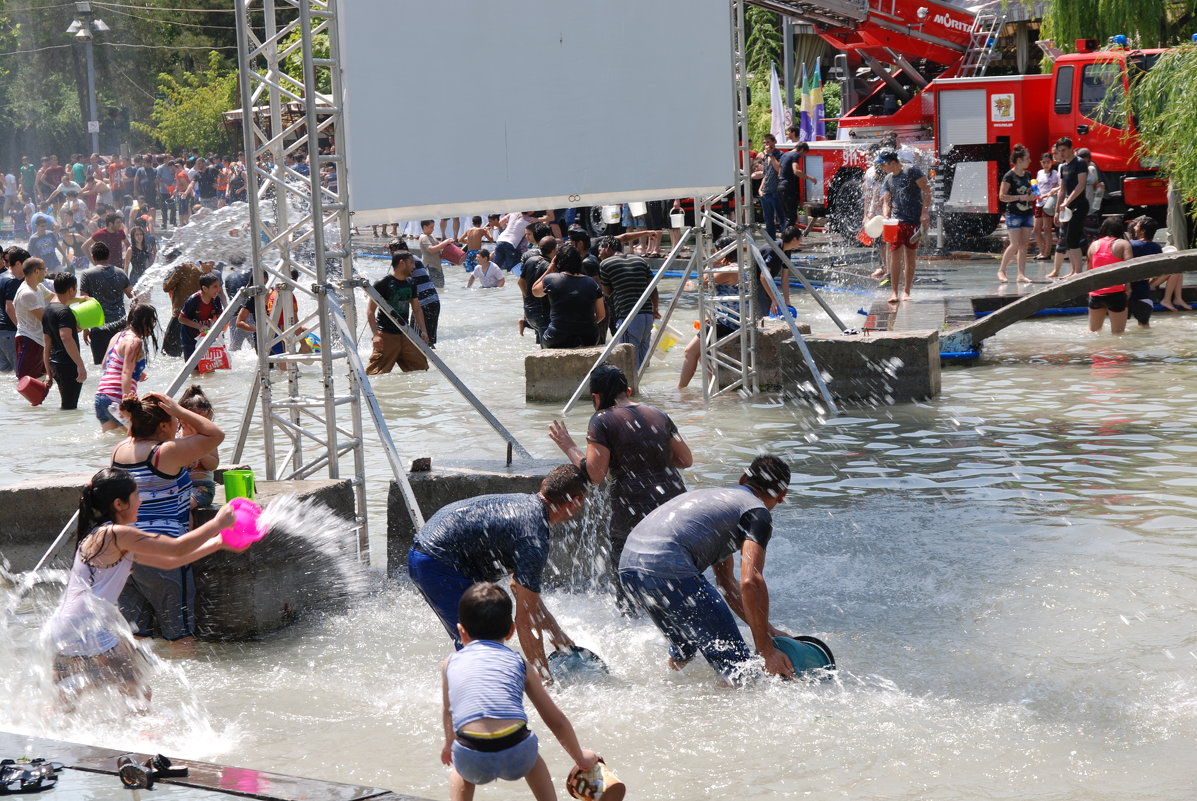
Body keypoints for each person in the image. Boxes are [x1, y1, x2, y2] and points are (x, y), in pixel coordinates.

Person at [42, 467, 246, 709]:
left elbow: (172, 561)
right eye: (137, 496)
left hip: (65, 625)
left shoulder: (101, 534)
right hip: (89, 628)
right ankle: (139, 740)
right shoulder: (116, 534)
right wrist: (218, 523)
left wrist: (219, 542)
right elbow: (176, 547)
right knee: (137, 691)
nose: (140, 502)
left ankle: (47, 735)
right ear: (119, 503)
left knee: (64, 705)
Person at [618, 455, 796, 684]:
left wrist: (767, 630)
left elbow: (726, 584)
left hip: (629, 569)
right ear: (782, 497)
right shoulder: (756, 513)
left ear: (743, 478)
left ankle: (666, 691)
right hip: (667, 568)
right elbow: (750, 581)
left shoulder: (717, 500)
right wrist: (766, 650)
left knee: (686, 648)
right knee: (741, 672)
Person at [407, 465, 590, 679]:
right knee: (478, 646)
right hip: (438, 563)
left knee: (482, 641)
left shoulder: (527, 505)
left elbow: (519, 589)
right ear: (575, 502)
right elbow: (525, 622)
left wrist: (557, 635)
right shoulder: (533, 539)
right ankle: (474, 700)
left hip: (434, 547)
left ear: (544, 485)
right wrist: (545, 681)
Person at [548, 365, 691, 612]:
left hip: (633, 515)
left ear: (596, 397)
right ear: (628, 390)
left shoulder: (602, 420)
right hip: (674, 509)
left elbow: (595, 474)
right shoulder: (658, 414)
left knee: (629, 595)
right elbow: (685, 460)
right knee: (677, 587)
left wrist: (569, 446)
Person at [440, 582, 599, 801]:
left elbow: (448, 711)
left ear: (461, 632)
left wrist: (449, 745)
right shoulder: (520, 664)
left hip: (472, 756)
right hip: (517, 753)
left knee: (460, 766)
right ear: (512, 631)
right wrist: (580, 758)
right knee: (534, 759)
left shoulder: (450, 662)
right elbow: (555, 719)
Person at [113, 392, 224, 641]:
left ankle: (134, 680)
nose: (178, 427)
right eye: (174, 422)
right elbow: (215, 435)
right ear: (163, 425)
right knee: (180, 635)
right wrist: (178, 409)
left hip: (123, 552)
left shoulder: (119, 450)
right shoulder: (165, 453)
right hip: (161, 550)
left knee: (135, 635)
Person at [878, 149, 931, 303]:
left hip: (913, 220)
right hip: (896, 222)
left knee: (910, 255)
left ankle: (906, 291)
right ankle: (894, 292)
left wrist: (925, 213)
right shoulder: (888, 179)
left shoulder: (911, 171)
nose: (881, 168)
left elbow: (927, 190)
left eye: (883, 165)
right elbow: (887, 201)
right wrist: (886, 215)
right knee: (894, 256)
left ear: (893, 162)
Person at [94, 301, 156, 433]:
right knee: (137, 438)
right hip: (116, 398)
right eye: (152, 322)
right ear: (145, 321)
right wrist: (127, 404)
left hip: (102, 397)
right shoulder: (134, 341)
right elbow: (126, 373)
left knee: (111, 441)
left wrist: (138, 371)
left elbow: (106, 364)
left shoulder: (118, 336)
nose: (153, 326)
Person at [597, 236, 656, 368]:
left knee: (629, 361)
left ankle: (632, 389)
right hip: (647, 315)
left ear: (607, 247)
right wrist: (655, 310)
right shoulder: (640, 260)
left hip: (629, 317)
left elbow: (607, 292)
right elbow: (653, 287)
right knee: (643, 362)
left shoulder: (605, 264)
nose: (598, 253)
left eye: (600, 249)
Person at [366, 251, 429, 374]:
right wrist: (376, 335)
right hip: (386, 335)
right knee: (375, 373)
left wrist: (423, 330)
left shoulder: (411, 283)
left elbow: (417, 309)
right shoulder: (382, 283)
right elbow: (370, 311)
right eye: (411, 263)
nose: (414, 267)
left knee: (422, 368)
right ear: (402, 263)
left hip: (406, 334)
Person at [532, 243, 605, 349]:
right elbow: (601, 315)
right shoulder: (591, 282)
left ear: (557, 261)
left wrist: (549, 269)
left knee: (545, 334)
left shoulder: (551, 279)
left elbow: (535, 291)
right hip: (589, 337)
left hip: (557, 336)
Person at [78, 241, 133, 365]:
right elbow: (133, 297)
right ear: (109, 256)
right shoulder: (120, 272)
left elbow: (84, 302)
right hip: (120, 326)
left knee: (102, 367)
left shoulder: (87, 275)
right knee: (120, 365)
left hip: (99, 328)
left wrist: (86, 327)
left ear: (93, 257)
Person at [41, 272, 88, 410]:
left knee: (66, 406)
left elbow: (47, 343)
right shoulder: (65, 312)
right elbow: (66, 337)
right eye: (76, 288)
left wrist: (49, 372)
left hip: (55, 364)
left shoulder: (47, 310)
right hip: (68, 365)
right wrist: (80, 365)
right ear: (71, 289)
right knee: (70, 408)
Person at [1048, 137, 1089, 280]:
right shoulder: (1064, 166)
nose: (1062, 153)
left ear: (1071, 148)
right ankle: (1074, 271)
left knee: (1073, 238)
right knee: (1068, 238)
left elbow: (1081, 185)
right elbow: (1062, 189)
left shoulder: (1079, 163)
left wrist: (1067, 202)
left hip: (1079, 204)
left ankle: (1078, 272)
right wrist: (1057, 211)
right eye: (1059, 151)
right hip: (1068, 206)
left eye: (1064, 150)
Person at [1085, 216, 1132, 334]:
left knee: (1093, 331)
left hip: (1096, 293)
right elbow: (1130, 267)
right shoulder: (1123, 244)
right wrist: (1128, 287)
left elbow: (1089, 270)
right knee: (1118, 333)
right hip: (1116, 292)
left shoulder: (1093, 245)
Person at [997, 144, 1036, 284]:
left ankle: (1021, 274)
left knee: (1024, 245)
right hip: (1014, 213)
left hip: (1027, 212)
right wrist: (1020, 198)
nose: (1030, 161)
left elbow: (1033, 190)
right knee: (1014, 244)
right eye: (1027, 158)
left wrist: (1033, 195)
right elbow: (1002, 196)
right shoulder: (1009, 176)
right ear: (1019, 160)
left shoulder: (1028, 174)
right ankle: (1001, 270)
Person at [179, 386, 219, 512]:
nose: (202, 428)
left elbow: (213, 465)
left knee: (185, 505)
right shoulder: (176, 437)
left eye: (205, 424)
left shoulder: (208, 438)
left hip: (202, 487)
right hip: (178, 487)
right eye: (197, 423)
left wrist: (201, 453)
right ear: (183, 420)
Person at [13, 257, 51, 380]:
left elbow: (55, 297)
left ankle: (39, 400)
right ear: (36, 271)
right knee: (25, 380)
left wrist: (80, 299)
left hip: (39, 340)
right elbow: (44, 319)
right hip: (29, 340)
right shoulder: (27, 293)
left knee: (41, 380)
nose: (46, 272)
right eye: (44, 269)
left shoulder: (38, 287)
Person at [1128, 216, 1166, 326]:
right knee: (1145, 327)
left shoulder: (1130, 245)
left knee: (1118, 328)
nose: (1134, 227)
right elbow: (1160, 271)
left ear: (1143, 231)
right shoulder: (1156, 248)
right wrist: (1151, 282)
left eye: (1137, 226)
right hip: (1144, 294)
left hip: (1126, 292)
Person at [177, 273, 224, 360]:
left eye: (219, 286)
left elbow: (219, 315)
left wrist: (214, 324)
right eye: (215, 286)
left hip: (205, 336)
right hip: (190, 339)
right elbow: (181, 318)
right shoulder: (193, 300)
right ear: (205, 288)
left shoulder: (216, 299)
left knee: (209, 365)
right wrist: (199, 326)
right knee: (193, 368)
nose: (218, 289)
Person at [517, 235, 554, 342]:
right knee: (545, 345)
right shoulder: (549, 266)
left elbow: (520, 282)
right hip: (543, 311)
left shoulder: (530, 260)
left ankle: (525, 324)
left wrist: (528, 297)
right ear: (554, 249)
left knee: (540, 339)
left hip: (529, 310)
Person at [162, 260, 202, 357]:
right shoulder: (199, 271)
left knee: (169, 352)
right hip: (194, 318)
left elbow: (166, 288)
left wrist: (166, 277)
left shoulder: (181, 268)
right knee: (190, 350)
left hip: (179, 315)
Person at [0, 247, 30, 372]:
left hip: (2, 331)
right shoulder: (13, 280)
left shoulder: (2, 277)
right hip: (10, 331)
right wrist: (22, 330)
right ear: (19, 263)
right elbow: (9, 307)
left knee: (6, 373)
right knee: (21, 372)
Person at [1033, 152, 1059, 261]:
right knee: (1036, 229)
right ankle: (1042, 250)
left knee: (1047, 229)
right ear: (1041, 163)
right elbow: (1037, 186)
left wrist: (1051, 191)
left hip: (1049, 203)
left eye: (1048, 162)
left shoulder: (1055, 173)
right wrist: (1036, 193)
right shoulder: (1039, 173)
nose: (1046, 164)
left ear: (1051, 162)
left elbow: (1058, 186)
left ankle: (1047, 253)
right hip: (1039, 202)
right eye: (1044, 162)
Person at [757, 134, 784, 240]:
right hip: (766, 191)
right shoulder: (765, 157)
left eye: (768, 142)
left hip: (776, 191)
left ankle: (785, 242)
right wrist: (760, 188)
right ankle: (772, 242)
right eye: (764, 143)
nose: (766, 145)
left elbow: (779, 170)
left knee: (781, 218)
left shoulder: (779, 155)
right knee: (768, 219)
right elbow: (766, 174)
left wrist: (771, 155)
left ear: (774, 142)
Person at [418, 219, 451, 288]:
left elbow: (439, 246)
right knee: (435, 288)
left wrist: (447, 245)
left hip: (437, 266)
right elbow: (431, 250)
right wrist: (445, 242)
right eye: (431, 227)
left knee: (440, 287)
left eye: (433, 227)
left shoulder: (431, 236)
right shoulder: (424, 237)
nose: (433, 229)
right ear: (424, 227)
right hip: (430, 266)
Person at [124, 221, 157, 288]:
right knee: (137, 298)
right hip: (135, 277)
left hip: (145, 277)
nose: (139, 236)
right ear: (133, 236)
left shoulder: (145, 248)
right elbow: (126, 266)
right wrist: (125, 282)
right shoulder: (131, 249)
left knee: (147, 298)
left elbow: (148, 264)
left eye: (141, 234)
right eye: (137, 235)